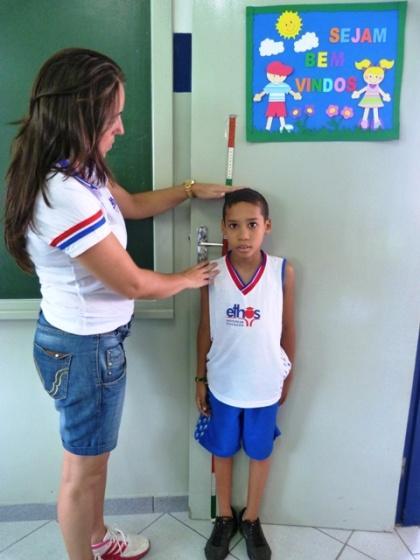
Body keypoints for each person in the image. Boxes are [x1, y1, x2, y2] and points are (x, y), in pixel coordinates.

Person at [4, 48, 229, 560]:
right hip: (85, 350)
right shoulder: (63, 194)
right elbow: (132, 284)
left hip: (88, 344)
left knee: (93, 462)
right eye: (113, 117)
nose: (122, 129)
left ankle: (98, 539)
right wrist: (190, 278)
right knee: (82, 472)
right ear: (80, 115)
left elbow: (132, 205)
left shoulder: (81, 169)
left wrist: (192, 189)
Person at [194, 188, 296, 560]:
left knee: (259, 450)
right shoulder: (212, 273)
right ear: (222, 228)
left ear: (266, 226)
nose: (243, 234)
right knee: (222, 450)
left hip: (265, 384)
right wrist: (200, 378)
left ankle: (251, 517)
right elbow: (204, 326)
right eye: (234, 226)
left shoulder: (282, 271)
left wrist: (288, 374)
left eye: (252, 225)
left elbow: (289, 329)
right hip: (223, 383)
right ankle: (224, 515)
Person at [253, 60, 302, 133]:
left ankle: (283, 127)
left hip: (280, 103)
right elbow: (264, 92)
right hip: (272, 103)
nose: (277, 78)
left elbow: (290, 91)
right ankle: (267, 128)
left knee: (281, 116)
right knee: (270, 115)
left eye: (280, 76)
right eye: (274, 75)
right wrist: (259, 96)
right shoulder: (270, 86)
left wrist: (295, 95)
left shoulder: (284, 86)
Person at [351, 58, 394, 130]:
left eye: (377, 77)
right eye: (370, 76)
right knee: (366, 109)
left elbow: (381, 91)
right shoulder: (368, 86)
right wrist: (358, 93)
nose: (373, 79)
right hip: (368, 98)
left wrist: (385, 95)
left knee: (375, 109)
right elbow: (363, 89)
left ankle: (376, 122)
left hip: (375, 99)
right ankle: (364, 121)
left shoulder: (377, 86)